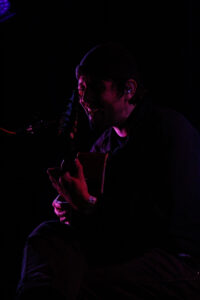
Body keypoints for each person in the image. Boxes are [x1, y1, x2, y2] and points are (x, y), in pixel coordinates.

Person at [16, 42, 200, 299]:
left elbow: (158, 228)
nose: (86, 99)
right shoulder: (102, 146)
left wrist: (88, 206)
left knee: (83, 284)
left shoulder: (170, 131)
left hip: (174, 258)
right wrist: (74, 207)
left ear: (128, 89)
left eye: (95, 88)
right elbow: (103, 225)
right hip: (121, 249)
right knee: (46, 236)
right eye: (81, 89)